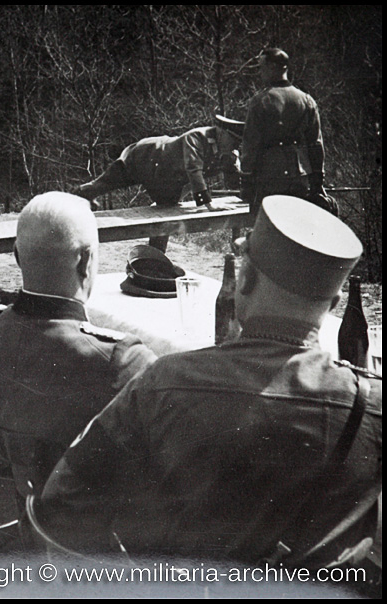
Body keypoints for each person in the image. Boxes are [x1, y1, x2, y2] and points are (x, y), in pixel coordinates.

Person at [40, 196, 380, 580]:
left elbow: (62, 502)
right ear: (334, 303)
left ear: (245, 280)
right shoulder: (371, 404)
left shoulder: (163, 382)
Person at [0, 192, 156, 496]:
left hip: (23, 509)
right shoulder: (123, 359)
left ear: (17, 256)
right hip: (92, 531)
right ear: (86, 261)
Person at [71, 116, 244, 250]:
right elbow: (194, 170)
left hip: (166, 179)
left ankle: (153, 257)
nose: (235, 146)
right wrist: (207, 203)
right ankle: (73, 200)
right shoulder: (197, 137)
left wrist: (243, 180)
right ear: (222, 133)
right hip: (145, 156)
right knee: (104, 184)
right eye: (233, 141)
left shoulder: (226, 151)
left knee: (166, 213)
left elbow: (234, 180)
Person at [240, 48, 335, 216]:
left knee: (268, 230)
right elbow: (316, 144)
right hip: (300, 176)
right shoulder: (306, 100)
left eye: (262, 67)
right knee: (298, 227)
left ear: (272, 67)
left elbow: (250, 145)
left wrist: (246, 180)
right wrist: (317, 181)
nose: (260, 72)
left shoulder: (259, 101)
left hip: (268, 177)